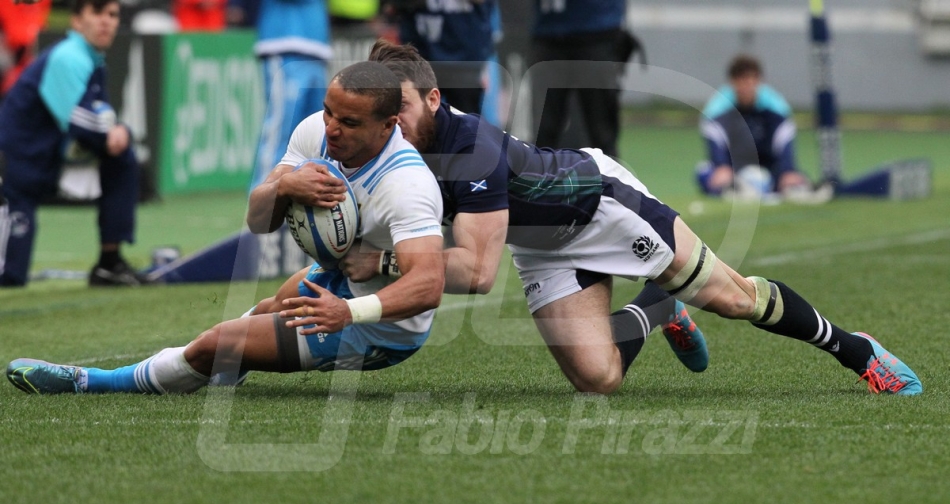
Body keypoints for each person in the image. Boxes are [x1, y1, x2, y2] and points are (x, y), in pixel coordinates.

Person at [351, 40, 919, 395]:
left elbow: (476, 273)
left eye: (400, 107)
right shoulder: (388, 145)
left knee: (736, 299)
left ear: (431, 99)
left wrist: (380, 258)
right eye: (383, 111)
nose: (391, 121)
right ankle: (657, 305)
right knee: (597, 381)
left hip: (600, 206)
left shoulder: (468, 146)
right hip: (543, 246)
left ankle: (858, 351)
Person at [6, 61, 446, 395]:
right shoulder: (317, 130)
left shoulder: (406, 183)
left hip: (380, 327)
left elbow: (427, 285)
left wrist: (347, 312)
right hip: (339, 279)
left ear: (389, 125)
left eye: (349, 123)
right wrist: (284, 186)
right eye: (329, 112)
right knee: (268, 307)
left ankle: (92, 381)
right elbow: (258, 220)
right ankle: (216, 372)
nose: (332, 128)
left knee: (217, 342)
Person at [0, 0, 145, 287]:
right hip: (11, 175)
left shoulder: (93, 59)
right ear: (77, 21)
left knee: (122, 158)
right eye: (97, 12)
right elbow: (78, 121)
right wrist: (117, 131)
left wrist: (116, 133)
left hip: (41, 168)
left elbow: (95, 120)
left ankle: (109, 263)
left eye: (112, 14)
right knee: (9, 276)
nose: (106, 21)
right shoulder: (69, 56)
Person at [696, 55, 817, 200]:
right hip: (733, 168)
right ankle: (735, 189)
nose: (747, 86)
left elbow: (783, 139)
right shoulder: (717, 110)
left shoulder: (776, 108)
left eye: (752, 80)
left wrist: (787, 170)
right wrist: (722, 166)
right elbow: (715, 141)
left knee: (794, 177)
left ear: (759, 81)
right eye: (742, 80)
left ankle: (787, 188)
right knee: (704, 171)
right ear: (732, 82)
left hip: (767, 166)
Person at [529, 0, 634, 158]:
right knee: (544, 130)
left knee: (602, 130)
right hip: (550, 32)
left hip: (597, 32)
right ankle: (539, 178)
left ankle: (609, 179)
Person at [247, 0, 331, 189]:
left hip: (317, 45)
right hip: (284, 42)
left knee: (316, 135)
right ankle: (263, 202)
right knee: (280, 129)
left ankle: (304, 203)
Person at [385, 0, 495, 114]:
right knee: (418, 120)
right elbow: (392, 7)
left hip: (464, 61)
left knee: (465, 121)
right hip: (421, 56)